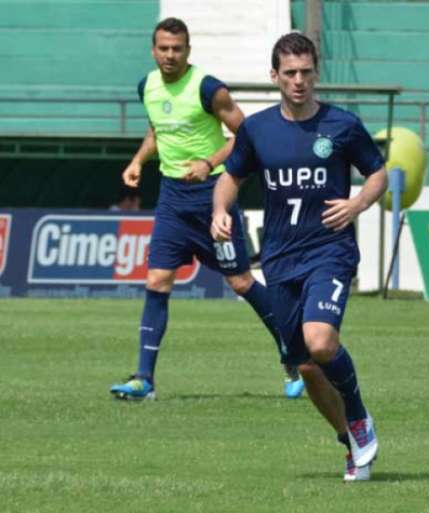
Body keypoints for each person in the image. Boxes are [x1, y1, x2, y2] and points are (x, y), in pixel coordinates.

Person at [211, 33, 386, 481]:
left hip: (330, 250)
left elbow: (378, 173)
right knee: (307, 366)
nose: (299, 81)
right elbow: (230, 178)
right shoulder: (258, 129)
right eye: (289, 73)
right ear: (275, 76)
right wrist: (218, 212)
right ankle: (349, 441)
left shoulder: (342, 125)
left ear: (316, 73)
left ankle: (361, 416)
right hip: (279, 257)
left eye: (306, 72)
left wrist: (357, 204)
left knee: (321, 341)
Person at [109, 17, 305, 401]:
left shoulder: (208, 88)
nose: (170, 55)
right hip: (171, 200)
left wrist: (208, 162)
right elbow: (157, 131)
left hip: (212, 199)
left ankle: (293, 356)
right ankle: (143, 380)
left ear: (188, 51)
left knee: (240, 282)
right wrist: (137, 161)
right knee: (156, 282)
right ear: (153, 50)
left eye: (177, 48)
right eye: (163, 48)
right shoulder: (146, 86)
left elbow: (246, 134)